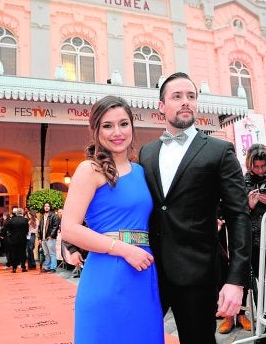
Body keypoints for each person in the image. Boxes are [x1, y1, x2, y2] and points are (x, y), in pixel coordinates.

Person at [139, 72, 251, 344]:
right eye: (177, 96)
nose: (186, 102)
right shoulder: (147, 152)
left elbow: (238, 216)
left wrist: (236, 280)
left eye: (191, 96)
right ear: (161, 106)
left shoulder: (219, 150)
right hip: (148, 271)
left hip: (198, 273)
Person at [61, 95, 164, 344]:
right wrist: (124, 250)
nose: (117, 132)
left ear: (132, 126)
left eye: (123, 124)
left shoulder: (142, 171)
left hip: (143, 273)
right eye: (107, 125)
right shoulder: (89, 170)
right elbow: (70, 230)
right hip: (106, 273)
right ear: (95, 131)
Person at [218, 144, 266, 334]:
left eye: (263, 166)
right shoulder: (241, 180)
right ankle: (241, 317)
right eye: (255, 166)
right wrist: (248, 205)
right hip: (246, 239)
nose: (259, 170)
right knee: (243, 279)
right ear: (249, 165)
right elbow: (231, 209)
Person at [2, 207, 29, 273]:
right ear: (22, 213)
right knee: (22, 253)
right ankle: (23, 267)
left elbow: (5, 227)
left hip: (13, 239)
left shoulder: (12, 220)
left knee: (14, 253)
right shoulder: (25, 220)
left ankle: (14, 268)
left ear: (16, 213)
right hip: (22, 239)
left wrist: (9, 233)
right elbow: (27, 230)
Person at [38, 202, 60, 273]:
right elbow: (39, 228)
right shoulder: (42, 216)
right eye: (45, 206)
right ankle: (47, 267)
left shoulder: (54, 216)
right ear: (43, 207)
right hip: (43, 238)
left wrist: (51, 235)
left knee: (52, 253)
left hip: (50, 238)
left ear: (50, 207)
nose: (46, 207)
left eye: (48, 206)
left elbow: (55, 226)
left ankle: (53, 267)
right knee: (46, 253)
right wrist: (39, 238)